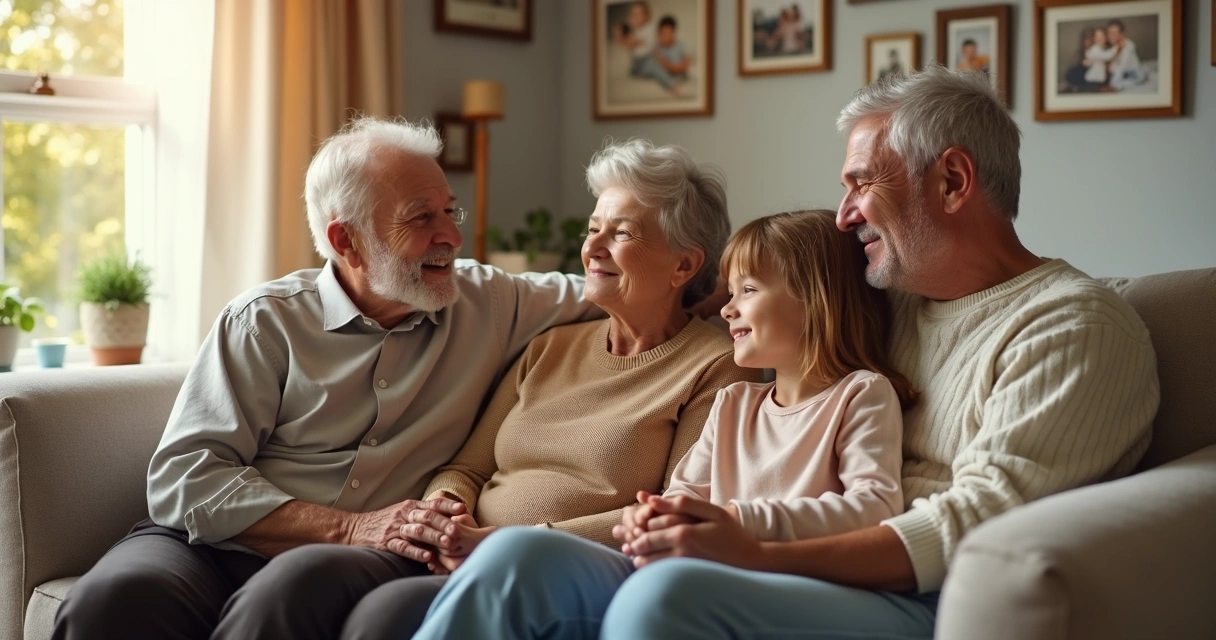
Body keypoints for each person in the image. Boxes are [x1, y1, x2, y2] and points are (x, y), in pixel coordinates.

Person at [421, 65, 1161, 639]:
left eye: (861, 183)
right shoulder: (886, 299)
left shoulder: (1071, 327)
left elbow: (967, 528)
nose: (844, 214)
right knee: (519, 560)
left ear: (954, 180)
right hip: (786, 565)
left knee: (667, 591)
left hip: (911, 598)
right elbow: (794, 300)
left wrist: (749, 548)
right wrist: (721, 298)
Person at [50, 117, 606, 640]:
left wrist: (693, 286)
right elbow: (184, 478)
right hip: (214, 544)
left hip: (361, 561)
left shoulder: (490, 301)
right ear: (347, 241)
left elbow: (617, 289)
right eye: (421, 217)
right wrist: (347, 526)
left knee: (290, 594)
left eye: (449, 212)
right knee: (114, 600)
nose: (452, 238)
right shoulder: (267, 320)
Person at [410, 208, 919, 640]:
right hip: (698, 563)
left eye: (748, 289)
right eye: (730, 290)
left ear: (815, 301)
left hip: (781, 579)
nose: (727, 306)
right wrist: (647, 520)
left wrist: (739, 523)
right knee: (519, 550)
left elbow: (874, 508)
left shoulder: (860, 394)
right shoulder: (736, 403)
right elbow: (683, 497)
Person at [336, 140, 759, 637]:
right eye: (592, 229)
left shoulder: (717, 368)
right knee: (315, 578)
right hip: (469, 549)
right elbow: (467, 469)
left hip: (571, 568)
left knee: (384, 616)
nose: (593, 248)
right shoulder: (551, 347)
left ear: (684, 266)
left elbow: (672, 510)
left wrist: (505, 541)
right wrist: (445, 514)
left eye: (620, 234)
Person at [1106, 19, 1146, 90]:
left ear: (1121, 34)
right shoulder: (1114, 47)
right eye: (1109, 33)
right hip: (1123, 74)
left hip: (1134, 73)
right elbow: (1113, 65)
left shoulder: (1128, 46)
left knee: (1116, 84)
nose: (1111, 36)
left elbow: (1122, 67)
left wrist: (1112, 85)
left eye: (1114, 33)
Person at [653, 15, 690, 86]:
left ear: (674, 32)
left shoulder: (681, 46)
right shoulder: (657, 48)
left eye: (668, 32)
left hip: (682, 81)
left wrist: (669, 66)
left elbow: (684, 67)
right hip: (666, 82)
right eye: (662, 32)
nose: (665, 35)